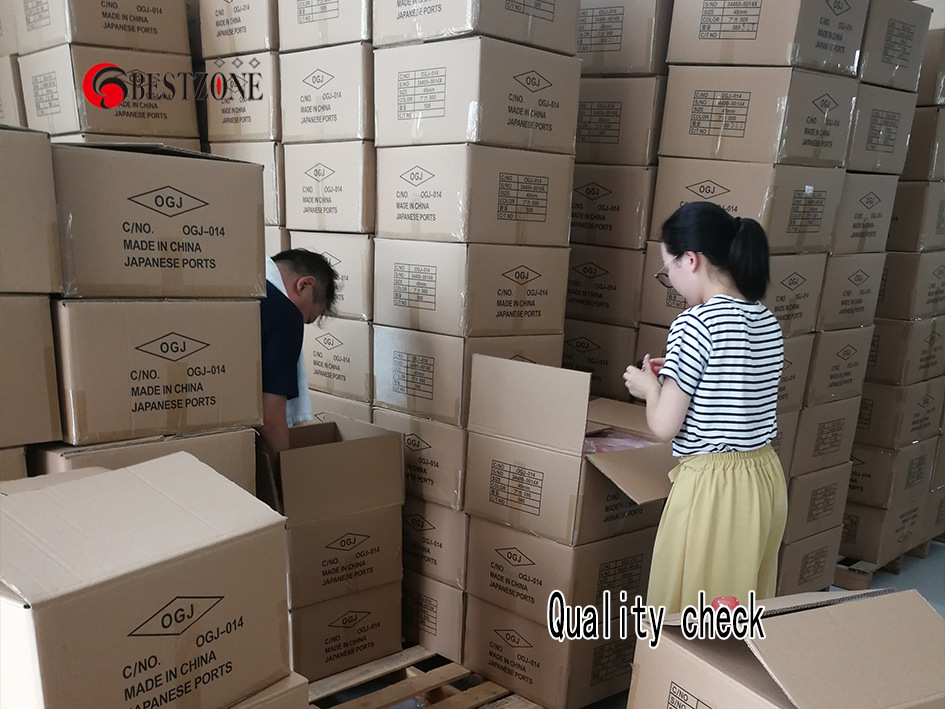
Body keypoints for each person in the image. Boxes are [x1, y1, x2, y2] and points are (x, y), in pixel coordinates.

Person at [623, 201, 786, 614]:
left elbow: (664, 426)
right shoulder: (765, 319)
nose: (671, 280)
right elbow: (731, 384)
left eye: (668, 269)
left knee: (691, 616)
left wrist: (650, 388)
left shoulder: (694, 324)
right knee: (739, 607)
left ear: (691, 260)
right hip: (764, 478)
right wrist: (677, 371)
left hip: (715, 488)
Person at [258, 248, 338, 456]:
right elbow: (270, 420)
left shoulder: (240, 283)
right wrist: (285, 471)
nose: (299, 323)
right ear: (304, 285)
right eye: (305, 318)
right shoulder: (284, 313)